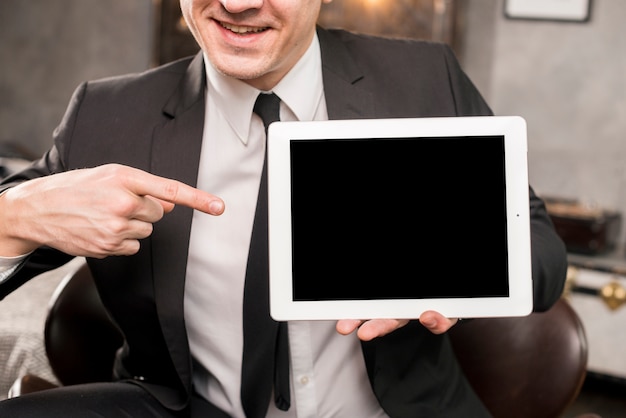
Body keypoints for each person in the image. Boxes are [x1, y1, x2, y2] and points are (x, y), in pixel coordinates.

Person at [0, 0, 568, 417]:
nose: (239, 3)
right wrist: (15, 218)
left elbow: (540, 248)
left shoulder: (423, 79)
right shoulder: (107, 114)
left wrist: (459, 273)